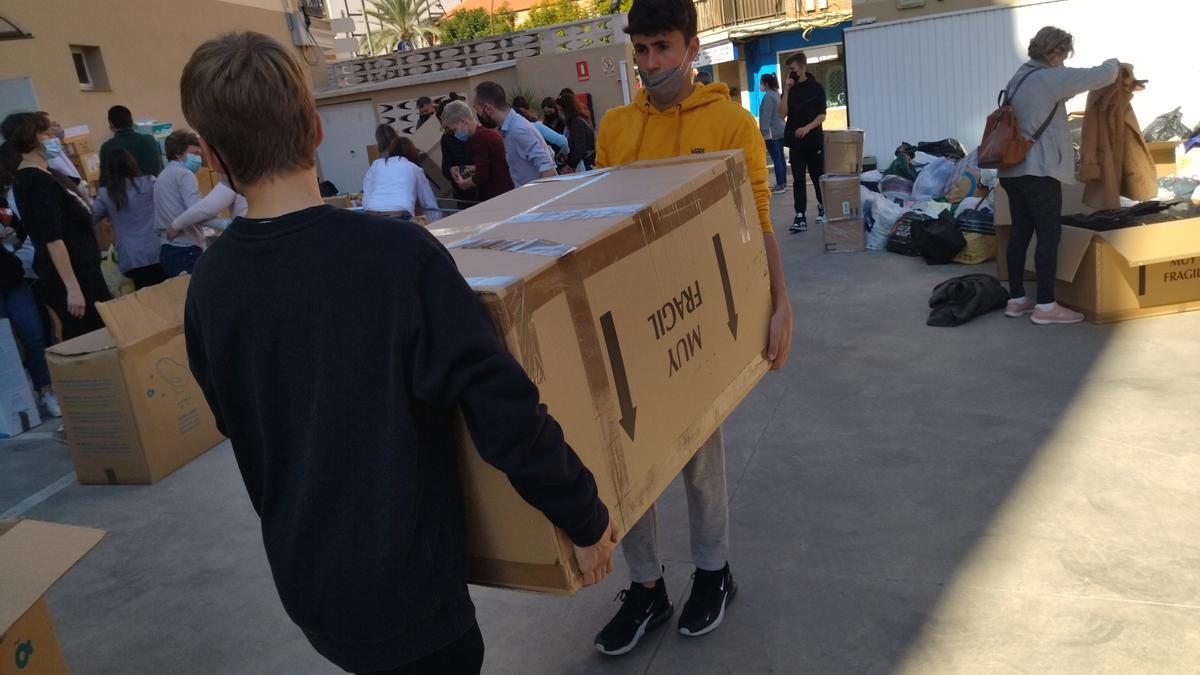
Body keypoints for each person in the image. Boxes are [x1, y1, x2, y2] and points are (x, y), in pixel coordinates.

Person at [178, 31, 617, 674]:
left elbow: (240, 419)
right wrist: (582, 513)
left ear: (213, 156)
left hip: (312, 589)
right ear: (316, 132)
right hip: (412, 597)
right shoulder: (397, 257)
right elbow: (501, 407)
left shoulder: (208, 288)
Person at [590, 0, 792, 655]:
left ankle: (715, 571)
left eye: (663, 49)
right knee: (630, 463)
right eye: (641, 50)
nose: (651, 64)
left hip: (699, 315)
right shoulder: (616, 129)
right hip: (628, 318)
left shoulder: (732, 122)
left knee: (700, 458)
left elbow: (757, 216)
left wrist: (780, 303)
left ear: (692, 46)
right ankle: (647, 588)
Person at [1000, 26, 1118, 325]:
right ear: (1054, 52)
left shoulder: (1019, 77)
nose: (1065, 60)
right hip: (1039, 170)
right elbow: (1100, 76)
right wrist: (1114, 64)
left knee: (1020, 233)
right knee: (1049, 234)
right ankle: (1046, 306)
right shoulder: (1049, 78)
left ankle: (1016, 299)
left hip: (1011, 171)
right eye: (1064, 54)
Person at [2, 112, 112, 340]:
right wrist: (72, 287)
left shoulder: (48, 173)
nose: (54, 135)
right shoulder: (33, 180)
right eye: (45, 132)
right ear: (31, 139)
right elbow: (52, 238)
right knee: (92, 337)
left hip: (85, 270)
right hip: (74, 278)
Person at [0, 196, 60, 417]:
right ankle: (16, 400)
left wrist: (13, 236)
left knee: (33, 334)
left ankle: (45, 390)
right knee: (6, 345)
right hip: (11, 278)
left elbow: (17, 228)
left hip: (12, 277)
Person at [91, 149, 167, 290]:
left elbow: (91, 217)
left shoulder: (106, 194)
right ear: (132, 163)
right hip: (157, 249)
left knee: (145, 298)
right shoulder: (150, 183)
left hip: (131, 257)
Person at [154, 129, 216, 277]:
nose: (198, 159)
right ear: (178, 153)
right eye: (194, 153)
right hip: (186, 249)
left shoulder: (162, 176)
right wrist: (225, 223)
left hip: (168, 248)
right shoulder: (184, 174)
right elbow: (197, 210)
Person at [473, 81, 557, 187]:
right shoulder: (510, 129)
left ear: (488, 109)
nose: (477, 116)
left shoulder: (517, 130)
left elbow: (548, 171)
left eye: (476, 109)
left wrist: (537, 200)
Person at [779, 51, 826, 233]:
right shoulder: (790, 89)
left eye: (793, 69)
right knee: (798, 179)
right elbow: (781, 114)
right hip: (795, 143)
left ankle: (823, 206)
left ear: (803, 67)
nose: (791, 73)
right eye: (789, 70)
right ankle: (800, 215)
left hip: (813, 141)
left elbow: (822, 115)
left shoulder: (816, 88)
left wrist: (808, 127)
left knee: (817, 176)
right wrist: (787, 89)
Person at [441, 100, 515, 201]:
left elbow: (482, 175)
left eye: (454, 129)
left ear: (463, 121)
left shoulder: (479, 138)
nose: (455, 134)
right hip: (506, 190)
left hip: (498, 195)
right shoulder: (487, 133)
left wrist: (463, 184)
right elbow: (491, 164)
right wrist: (473, 168)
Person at [362, 136, 442, 221]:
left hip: (372, 213)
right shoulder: (414, 168)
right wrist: (435, 224)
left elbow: (367, 195)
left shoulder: (376, 164)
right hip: (399, 213)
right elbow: (428, 202)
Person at [98, 105, 163, 184]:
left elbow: (104, 182)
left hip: (121, 194)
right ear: (132, 122)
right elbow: (158, 168)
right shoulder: (150, 140)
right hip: (152, 191)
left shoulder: (107, 147)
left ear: (111, 124)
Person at [437, 100, 479, 209]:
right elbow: (445, 168)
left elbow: (487, 168)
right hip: (462, 196)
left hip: (482, 192)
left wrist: (471, 171)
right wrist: (452, 170)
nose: (450, 131)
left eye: (450, 128)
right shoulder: (446, 139)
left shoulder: (478, 135)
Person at [757, 73, 787, 193]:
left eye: (761, 82)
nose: (760, 85)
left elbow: (766, 116)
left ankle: (780, 184)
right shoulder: (777, 94)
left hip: (771, 133)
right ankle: (783, 183)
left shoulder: (768, 96)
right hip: (780, 130)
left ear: (766, 84)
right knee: (781, 157)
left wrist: (763, 132)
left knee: (776, 159)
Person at [557, 92, 596, 172]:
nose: (560, 113)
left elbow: (579, 147)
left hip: (585, 164)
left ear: (567, 109)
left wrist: (571, 165)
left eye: (561, 110)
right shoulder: (580, 120)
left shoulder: (577, 123)